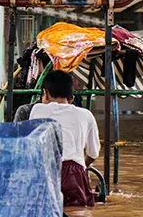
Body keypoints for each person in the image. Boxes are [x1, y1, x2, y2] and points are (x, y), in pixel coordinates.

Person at [29, 70, 100, 208]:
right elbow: (93, 153)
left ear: (46, 93)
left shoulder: (37, 110)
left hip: (45, 171)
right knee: (77, 216)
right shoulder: (86, 115)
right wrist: (83, 165)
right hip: (74, 174)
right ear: (72, 98)